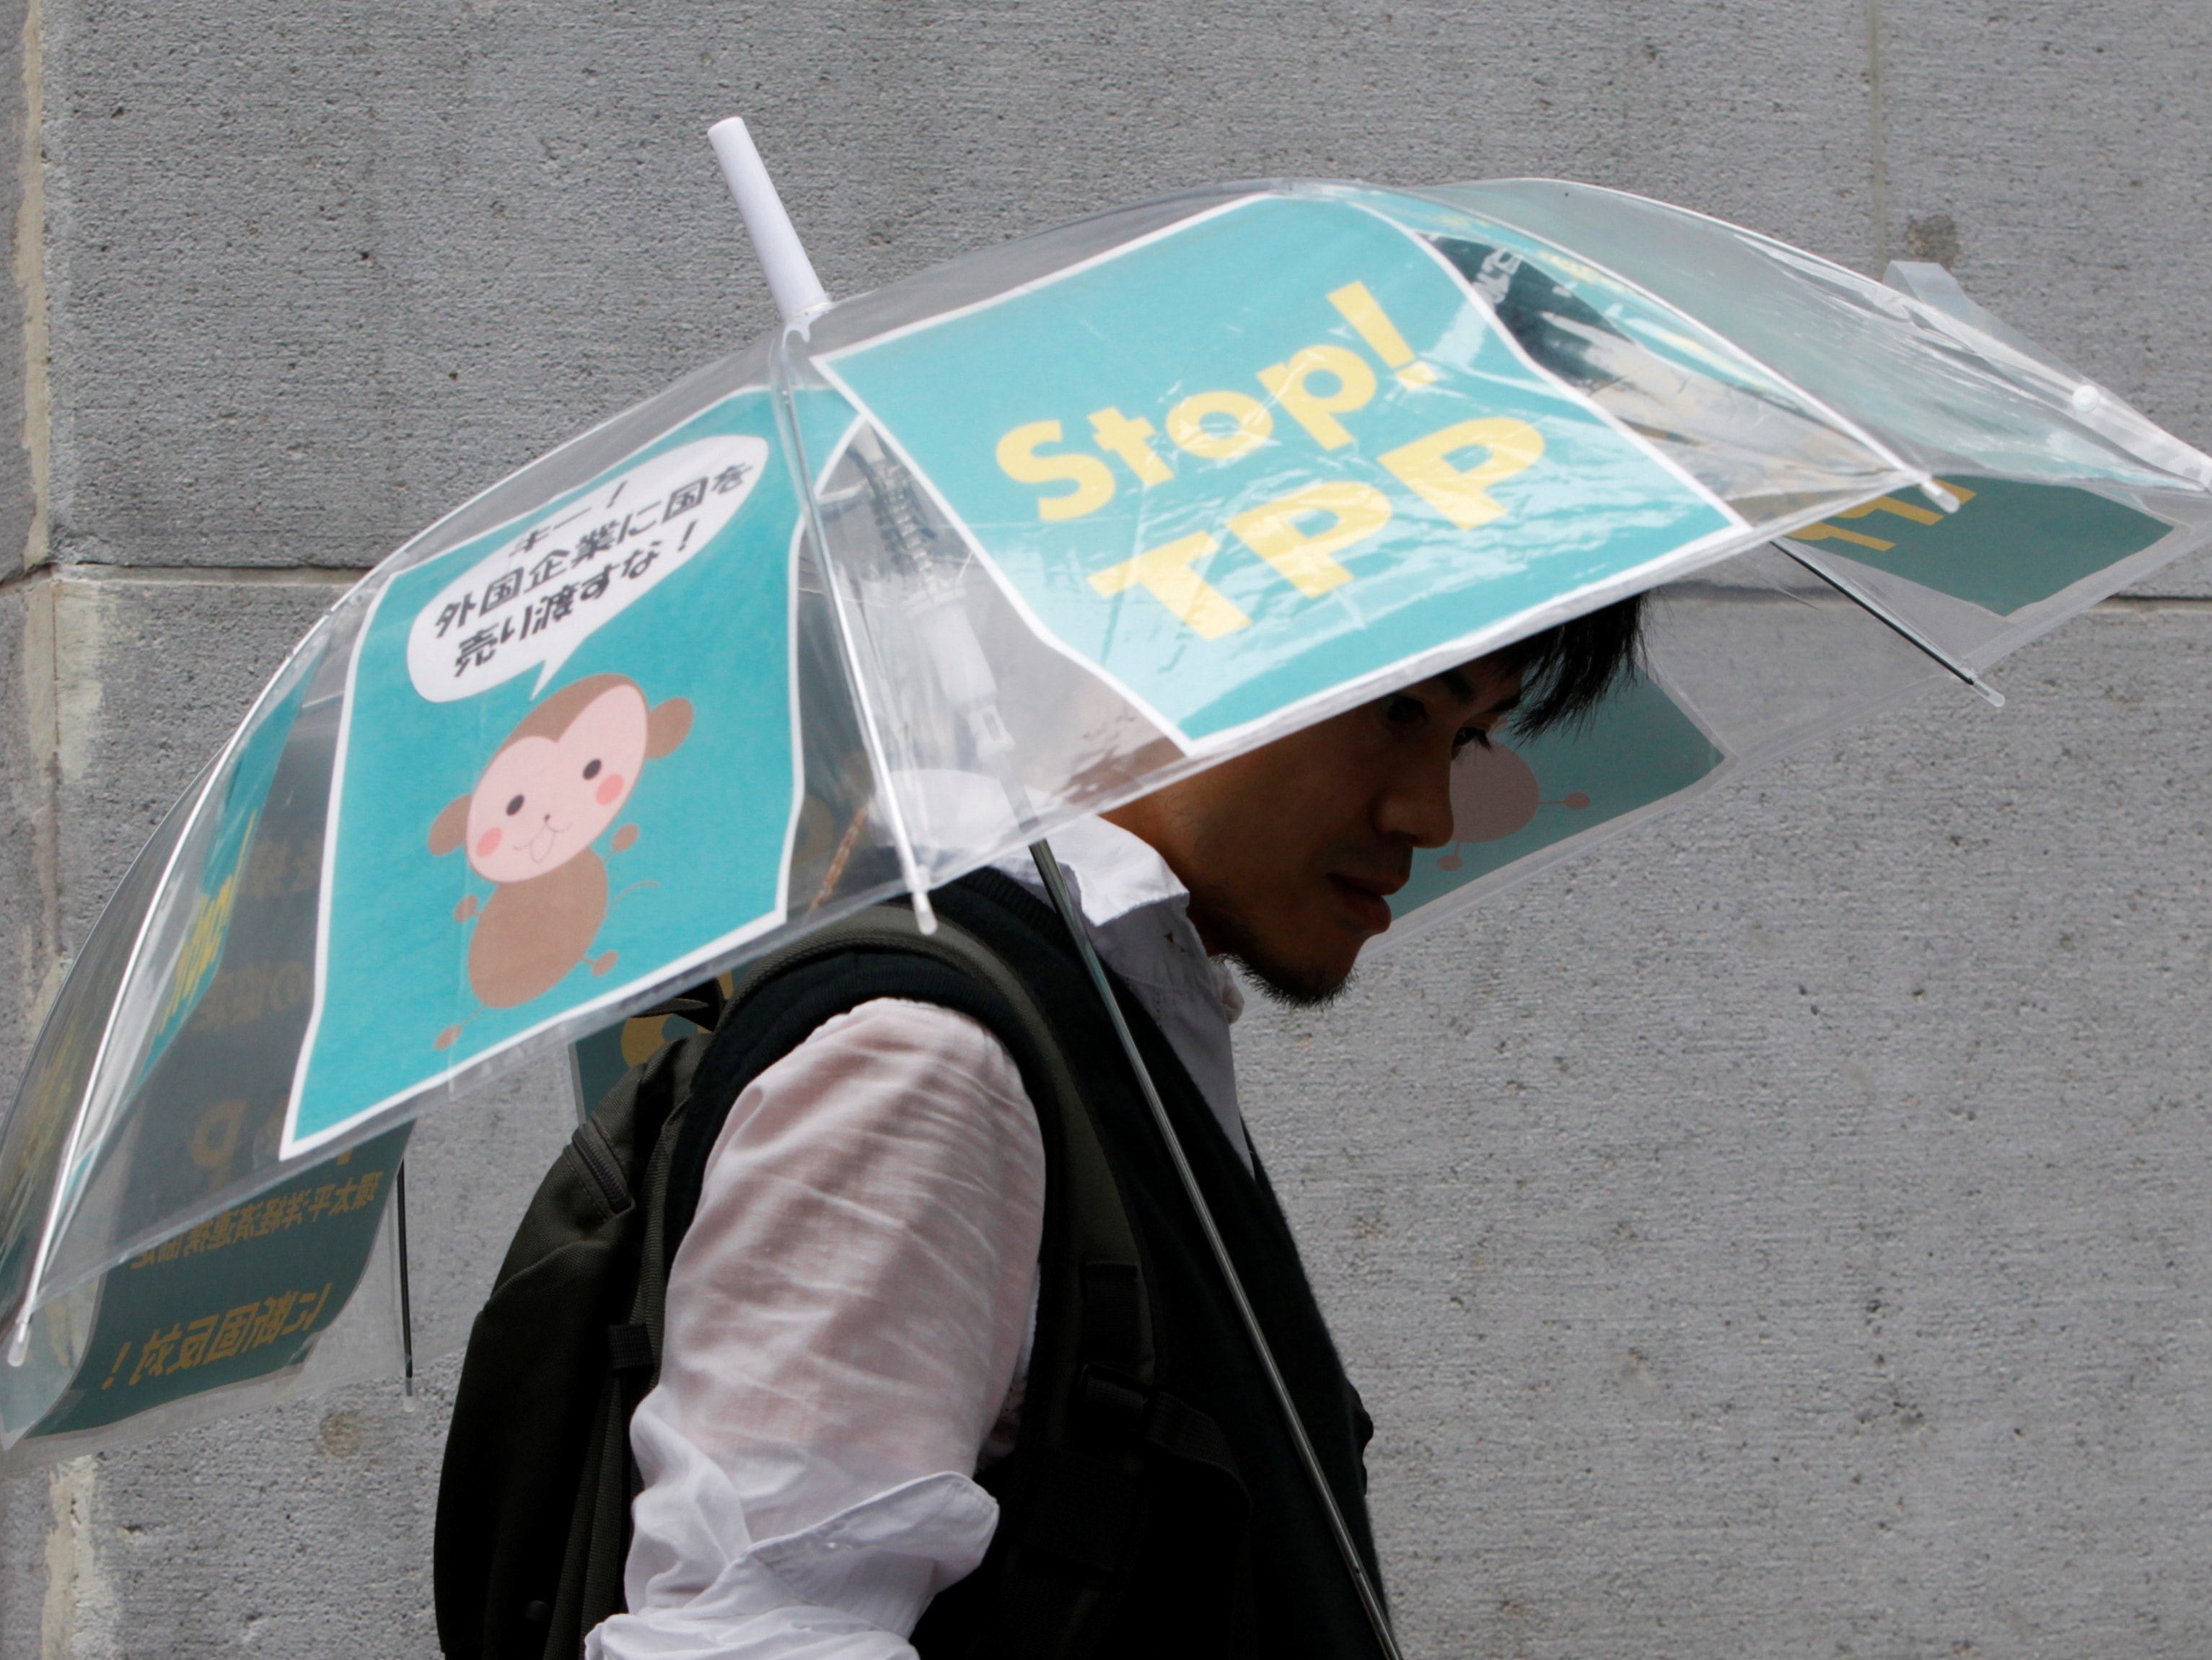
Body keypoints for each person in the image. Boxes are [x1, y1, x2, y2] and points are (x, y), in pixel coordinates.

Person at [584, 600, 1644, 1660]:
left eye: (1465, 735)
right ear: (1157, 645)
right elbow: (747, 1636)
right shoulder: (925, 1061)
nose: (1431, 812)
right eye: (1394, 708)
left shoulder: (1117, 1015)